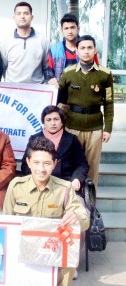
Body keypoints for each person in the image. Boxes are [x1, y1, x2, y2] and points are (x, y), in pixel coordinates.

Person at [3, 136, 89, 286]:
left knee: (67, 261)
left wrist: (76, 217)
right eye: (36, 162)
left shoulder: (65, 188)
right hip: (23, 248)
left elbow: (84, 220)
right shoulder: (16, 186)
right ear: (28, 162)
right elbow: (6, 222)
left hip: (52, 251)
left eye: (47, 163)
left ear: (55, 164)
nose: (41, 169)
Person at [57, 35, 114, 186]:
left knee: (92, 167)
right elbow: (60, 103)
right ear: (76, 51)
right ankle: (71, 201)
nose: (86, 51)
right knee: (71, 164)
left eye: (90, 48)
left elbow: (109, 103)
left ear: (95, 50)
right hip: (72, 127)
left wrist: (107, 128)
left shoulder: (105, 74)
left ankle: (90, 204)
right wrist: (59, 126)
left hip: (95, 128)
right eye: (82, 48)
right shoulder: (68, 73)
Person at [21, 105, 89, 195]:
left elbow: (82, 164)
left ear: (62, 121)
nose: (53, 123)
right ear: (43, 122)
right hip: (39, 184)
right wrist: (37, 179)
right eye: (48, 120)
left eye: (56, 119)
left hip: (66, 185)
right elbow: (25, 165)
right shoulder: (34, 139)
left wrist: (76, 179)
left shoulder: (72, 139)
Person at [0, 2, 49, 83]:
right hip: (12, 91)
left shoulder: (43, 40)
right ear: (14, 17)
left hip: (37, 91)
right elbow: (3, 68)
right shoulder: (5, 42)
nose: (22, 16)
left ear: (31, 17)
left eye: (26, 13)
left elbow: (46, 68)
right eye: (18, 14)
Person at [47, 13, 99, 88]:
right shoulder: (54, 50)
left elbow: (97, 72)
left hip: (83, 93)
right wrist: (50, 80)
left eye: (72, 27)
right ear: (62, 30)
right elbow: (49, 75)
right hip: (60, 94)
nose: (70, 31)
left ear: (78, 29)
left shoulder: (88, 48)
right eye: (66, 28)